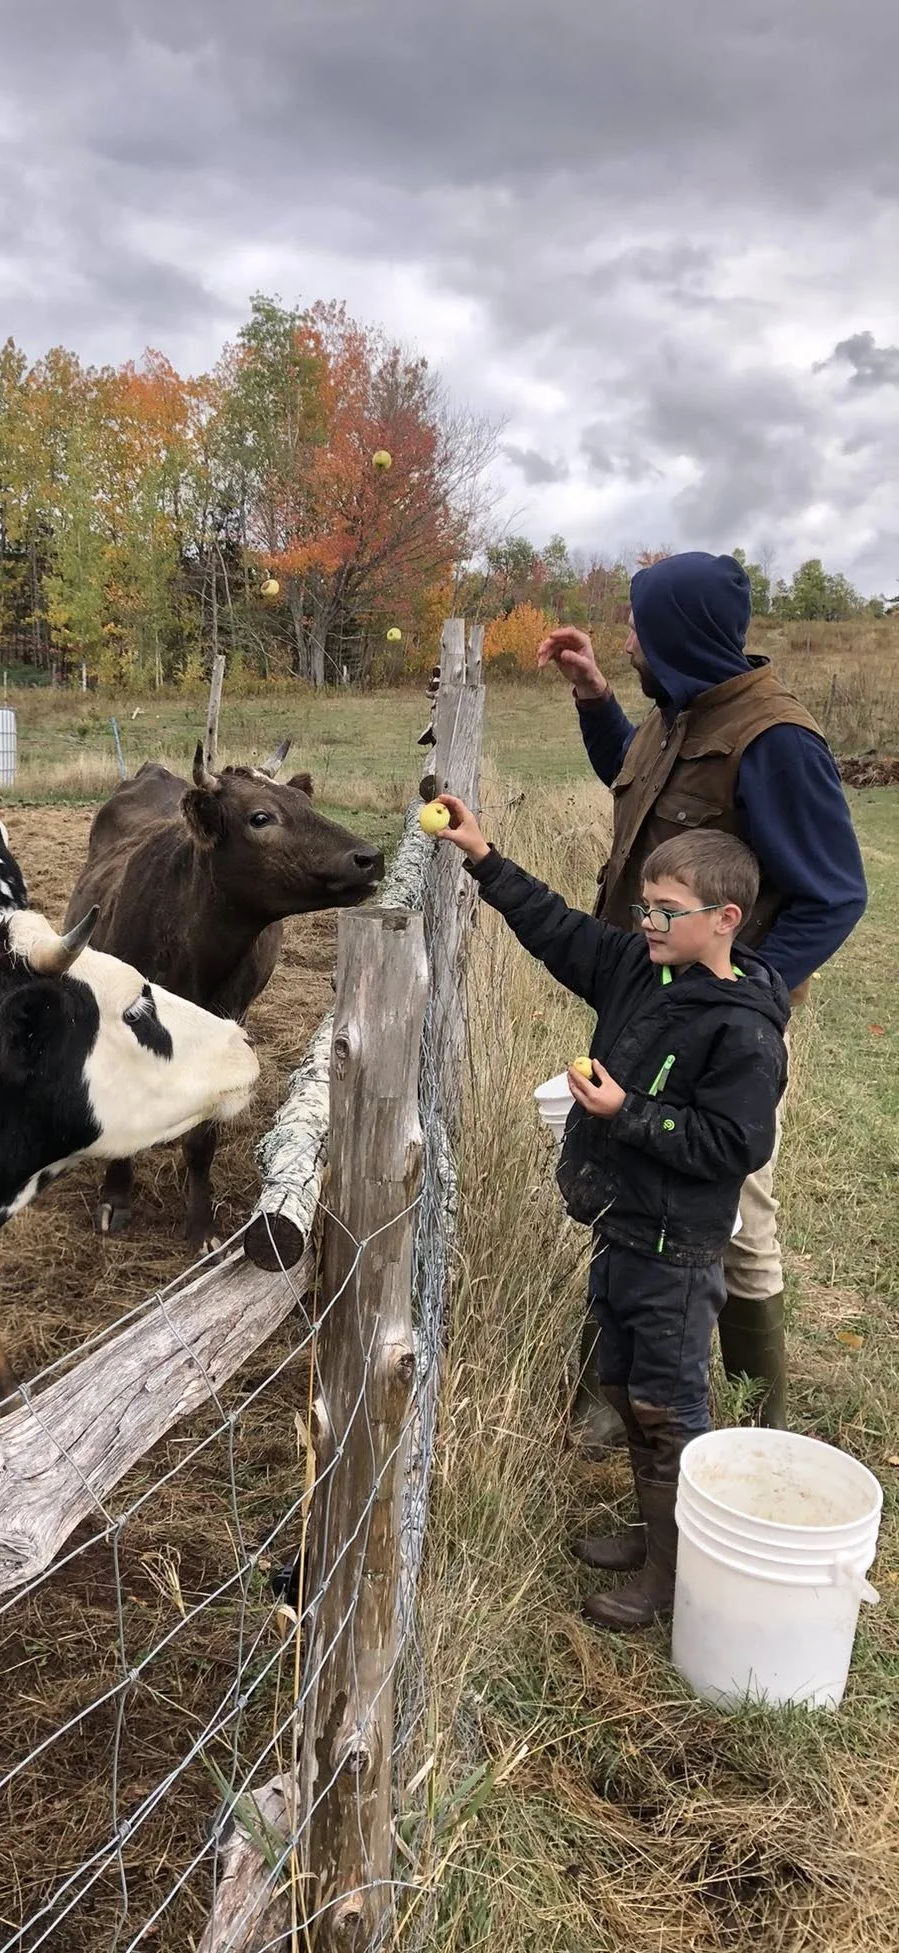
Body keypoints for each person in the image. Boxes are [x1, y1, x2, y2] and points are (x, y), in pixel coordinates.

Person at [432, 799, 790, 1627]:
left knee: (670, 1407)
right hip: (623, 1226)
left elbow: (733, 1145)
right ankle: (655, 1535)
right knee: (629, 1389)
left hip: (677, 1247)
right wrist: (482, 855)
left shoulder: (743, 1032)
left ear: (725, 919)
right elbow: (557, 928)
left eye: (668, 912)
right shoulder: (641, 968)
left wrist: (628, 1112)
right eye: (646, 908)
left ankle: (674, 1578)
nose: (649, 922)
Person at [536, 553, 866, 1446]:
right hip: (648, 1004)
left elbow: (837, 893)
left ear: (679, 634)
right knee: (632, 1188)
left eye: (640, 628)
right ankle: (618, 1390)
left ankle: (760, 1414)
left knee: (738, 1208)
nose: (631, 640)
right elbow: (638, 786)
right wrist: (597, 698)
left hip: (721, 1032)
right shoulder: (680, 713)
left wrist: (749, 992)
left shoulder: (776, 741)